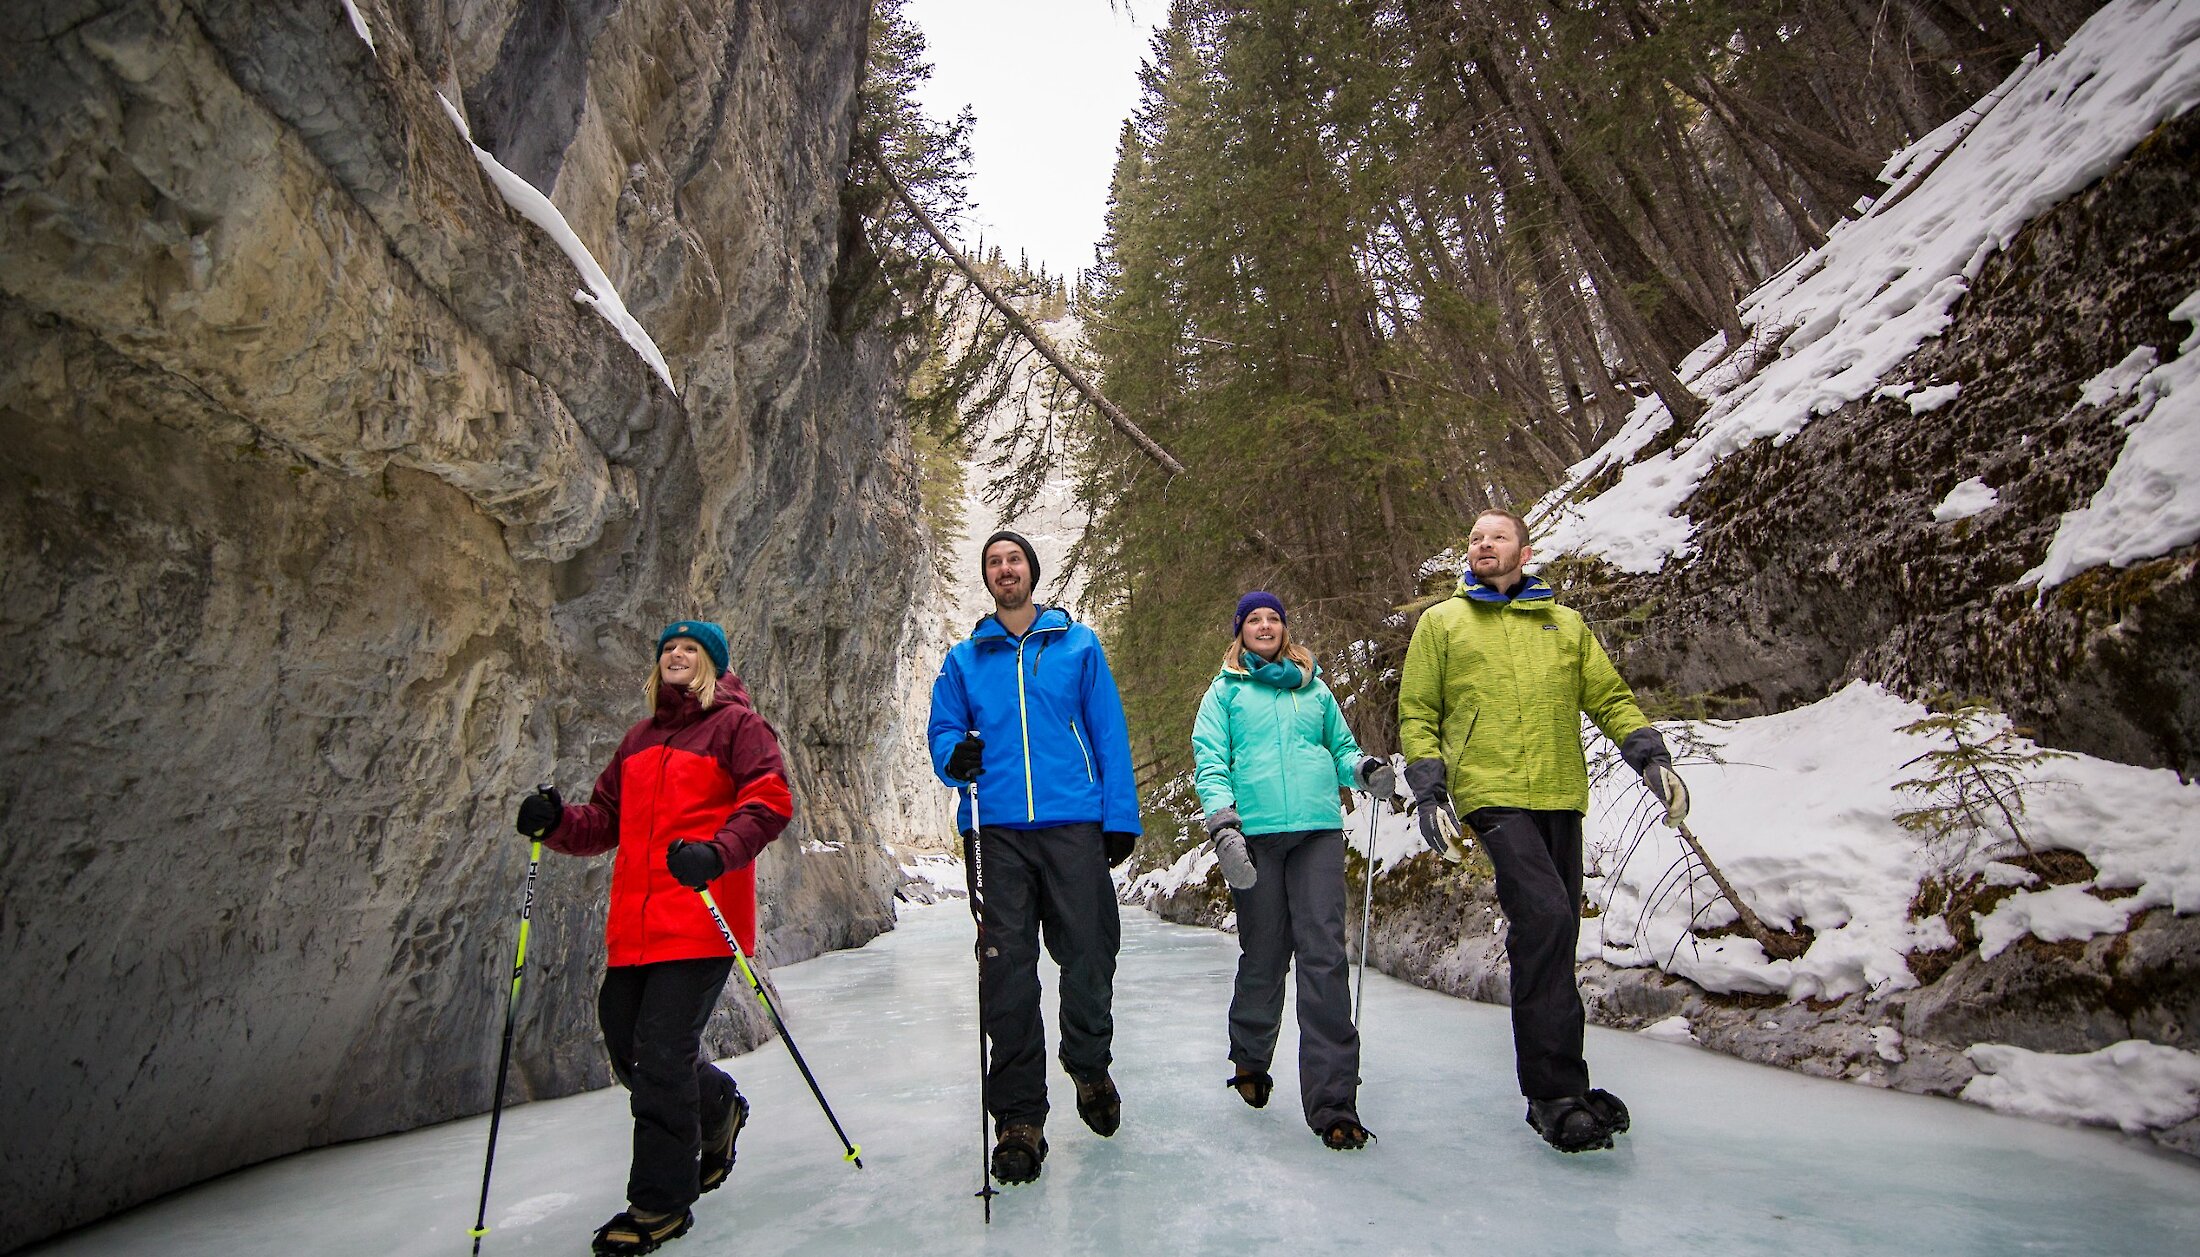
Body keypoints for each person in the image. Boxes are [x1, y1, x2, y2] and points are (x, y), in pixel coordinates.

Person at [1397, 510, 1690, 1154]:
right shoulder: (1443, 624)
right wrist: (1430, 788)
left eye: (1496, 536)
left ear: (1523, 551)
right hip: (1490, 790)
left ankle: (1568, 1084)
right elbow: (1418, 711)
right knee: (1548, 916)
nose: (1482, 544)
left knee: (1553, 937)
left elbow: (1608, 696)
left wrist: (1648, 753)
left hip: (1559, 791)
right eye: (1474, 537)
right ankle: (1551, 1093)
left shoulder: (1565, 625)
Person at [514, 620, 793, 1254]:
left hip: (699, 916)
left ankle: (660, 1204)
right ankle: (717, 1104)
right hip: (634, 928)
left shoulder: (737, 728)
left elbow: (770, 800)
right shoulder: (638, 740)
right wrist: (556, 823)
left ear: (713, 665)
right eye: (668, 647)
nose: (676, 654)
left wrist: (718, 852)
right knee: (630, 1051)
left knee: (662, 1054)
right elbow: (603, 821)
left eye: (690, 648)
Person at [928, 530, 1141, 1186]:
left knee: (1089, 950)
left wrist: (1119, 815)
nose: (1004, 568)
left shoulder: (1076, 645)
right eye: (994, 562)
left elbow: (1107, 728)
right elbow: (942, 731)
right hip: (994, 832)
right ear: (987, 578)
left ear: (1031, 571)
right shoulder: (966, 659)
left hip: (1072, 820)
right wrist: (951, 756)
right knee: (1006, 971)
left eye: (1013, 558)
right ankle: (1020, 1116)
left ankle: (1088, 1063)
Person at [1191, 591, 1389, 1151]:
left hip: (1317, 832)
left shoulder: (1314, 688)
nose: (1264, 625)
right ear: (1240, 632)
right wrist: (1224, 825)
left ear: (1284, 629)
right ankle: (1251, 1056)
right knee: (1266, 953)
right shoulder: (1224, 693)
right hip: (1255, 836)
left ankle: (1333, 1103)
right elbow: (1210, 760)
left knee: (1324, 956)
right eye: (1253, 619)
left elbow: (1341, 748)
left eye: (1272, 618)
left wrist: (1364, 768)